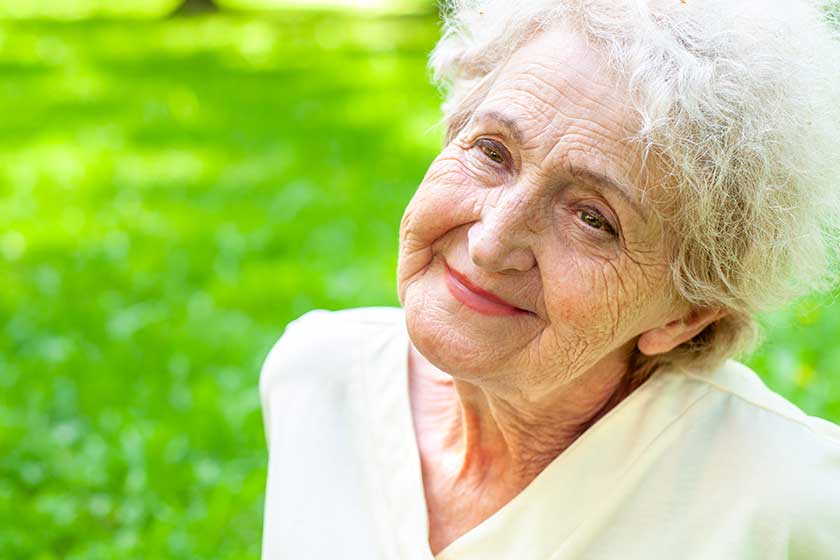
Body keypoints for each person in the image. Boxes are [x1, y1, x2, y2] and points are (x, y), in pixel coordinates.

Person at [259, 1, 840, 558]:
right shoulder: (315, 379)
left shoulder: (790, 501)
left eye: (593, 220)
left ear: (685, 315)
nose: (490, 244)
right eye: (491, 152)